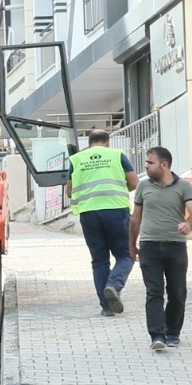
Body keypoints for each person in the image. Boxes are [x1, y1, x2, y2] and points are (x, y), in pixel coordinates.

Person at [133, 146, 192, 352]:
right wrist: (131, 245)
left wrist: (188, 224)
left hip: (175, 246)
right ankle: (157, 335)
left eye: (150, 163)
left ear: (164, 164)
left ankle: (173, 333)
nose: (146, 166)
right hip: (149, 246)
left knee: (177, 292)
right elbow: (135, 218)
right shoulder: (143, 187)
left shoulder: (184, 187)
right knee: (154, 292)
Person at [68, 129, 139, 316]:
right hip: (116, 210)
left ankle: (107, 307)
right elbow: (134, 182)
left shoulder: (77, 159)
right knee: (125, 255)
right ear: (107, 142)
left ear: (89, 143)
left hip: (89, 214)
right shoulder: (117, 155)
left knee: (99, 261)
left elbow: (69, 191)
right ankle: (114, 285)